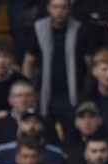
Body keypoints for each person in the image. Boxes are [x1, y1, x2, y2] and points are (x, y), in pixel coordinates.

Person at [22, 0, 94, 142]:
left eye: (63, 7)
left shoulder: (81, 29)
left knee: (72, 137)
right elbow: (28, 62)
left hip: (72, 93)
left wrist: (87, 90)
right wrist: (29, 89)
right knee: (45, 135)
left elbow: (90, 64)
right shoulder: (38, 28)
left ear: (69, 9)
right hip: (44, 93)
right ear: (48, 8)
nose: (59, 11)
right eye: (55, 7)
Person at [0, 108, 67, 164]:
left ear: (43, 126)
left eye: (36, 122)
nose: (31, 126)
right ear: (20, 125)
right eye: (27, 122)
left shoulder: (56, 154)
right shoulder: (1, 152)